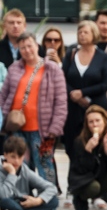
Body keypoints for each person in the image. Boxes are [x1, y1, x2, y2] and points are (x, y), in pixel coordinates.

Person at [0, 32, 67, 184]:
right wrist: (4, 117)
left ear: (36, 46)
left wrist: (56, 127)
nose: (27, 50)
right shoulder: (14, 69)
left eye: (29, 46)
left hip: (43, 129)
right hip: (17, 127)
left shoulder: (52, 69)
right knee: (20, 165)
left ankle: (48, 200)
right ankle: (22, 199)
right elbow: (3, 96)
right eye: (22, 48)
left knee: (45, 165)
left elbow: (61, 101)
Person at [62, 20, 107, 156]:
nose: (82, 35)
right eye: (80, 32)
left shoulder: (103, 57)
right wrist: (74, 95)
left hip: (96, 106)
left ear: (94, 34)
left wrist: (83, 93)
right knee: (72, 147)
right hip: (73, 108)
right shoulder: (71, 54)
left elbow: (106, 83)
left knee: (96, 146)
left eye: (86, 32)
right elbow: (62, 79)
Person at [67, 105, 107, 210]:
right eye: (91, 122)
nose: (95, 125)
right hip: (84, 182)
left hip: (102, 179)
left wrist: (106, 146)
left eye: (97, 121)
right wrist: (88, 150)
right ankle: (80, 200)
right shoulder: (80, 141)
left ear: (104, 121)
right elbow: (80, 169)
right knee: (94, 187)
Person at [0, 135, 59, 210]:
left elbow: (52, 188)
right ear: (5, 155)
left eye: (20, 157)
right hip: (8, 201)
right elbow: (3, 195)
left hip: (23, 202)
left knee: (54, 201)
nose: (16, 161)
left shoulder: (24, 169)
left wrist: (38, 201)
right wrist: (12, 174)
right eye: (13, 157)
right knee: (6, 202)